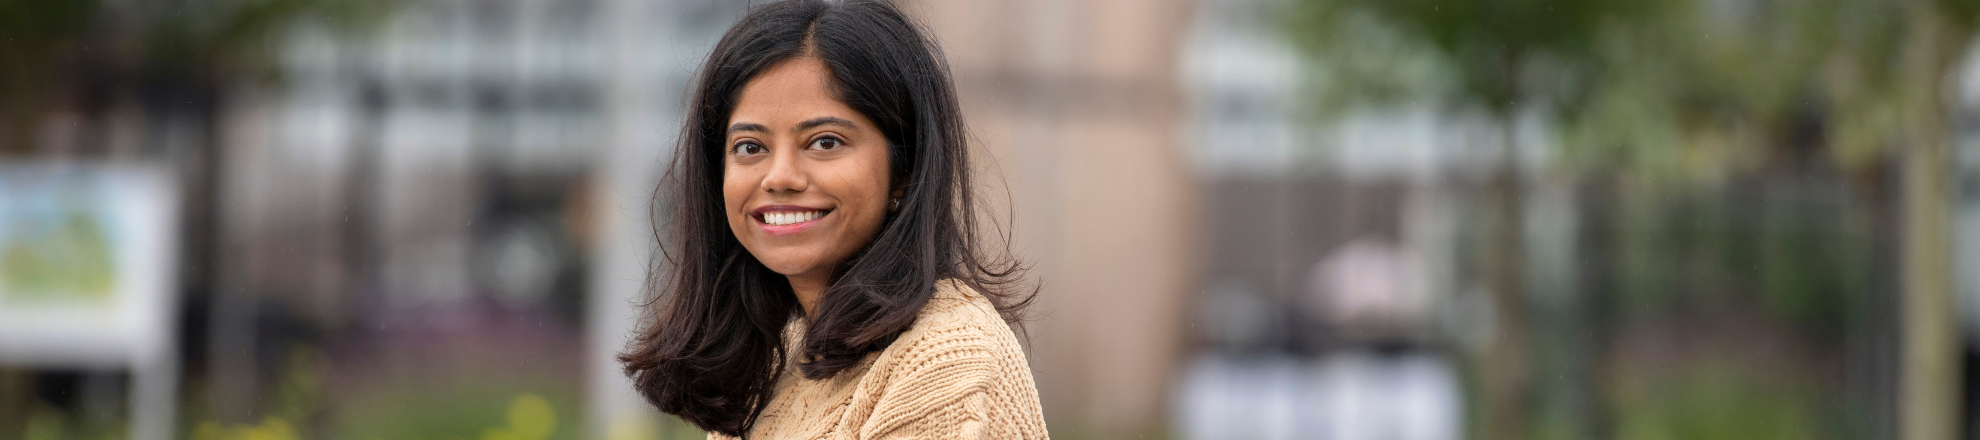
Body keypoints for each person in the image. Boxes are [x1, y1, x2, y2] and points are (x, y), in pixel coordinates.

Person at [616, 0, 1046, 438]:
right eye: (750, 147)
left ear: (905, 171)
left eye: (824, 142)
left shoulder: (943, 356)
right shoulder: (780, 361)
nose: (779, 177)